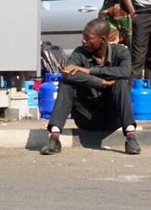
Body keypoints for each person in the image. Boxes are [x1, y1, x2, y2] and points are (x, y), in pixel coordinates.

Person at [40, 19, 140, 156]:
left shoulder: (120, 52)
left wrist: (90, 71)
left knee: (121, 82)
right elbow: (68, 75)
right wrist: (100, 82)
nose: (83, 41)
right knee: (66, 84)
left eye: (88, 38)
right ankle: (54, 138)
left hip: (113, 116)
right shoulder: (79, 53)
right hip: (86, 116)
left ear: (103, 39)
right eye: (83, 36)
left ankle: (131, 137)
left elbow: (125, 72)